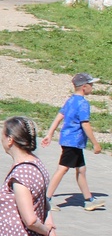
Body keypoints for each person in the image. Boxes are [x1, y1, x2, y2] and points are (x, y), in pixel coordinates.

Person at [42, 72, 104, 210]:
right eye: (91, 84)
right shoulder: (83, 103)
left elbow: (59, 116)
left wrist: (50, 134)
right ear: (84, 87)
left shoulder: (70, 100)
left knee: (81, 169)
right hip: (73, 142)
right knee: (62, 169)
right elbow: (85, 124)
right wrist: (95, 143)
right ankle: (46, 199)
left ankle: (88, 200)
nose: (92, 87)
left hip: (68, 140)